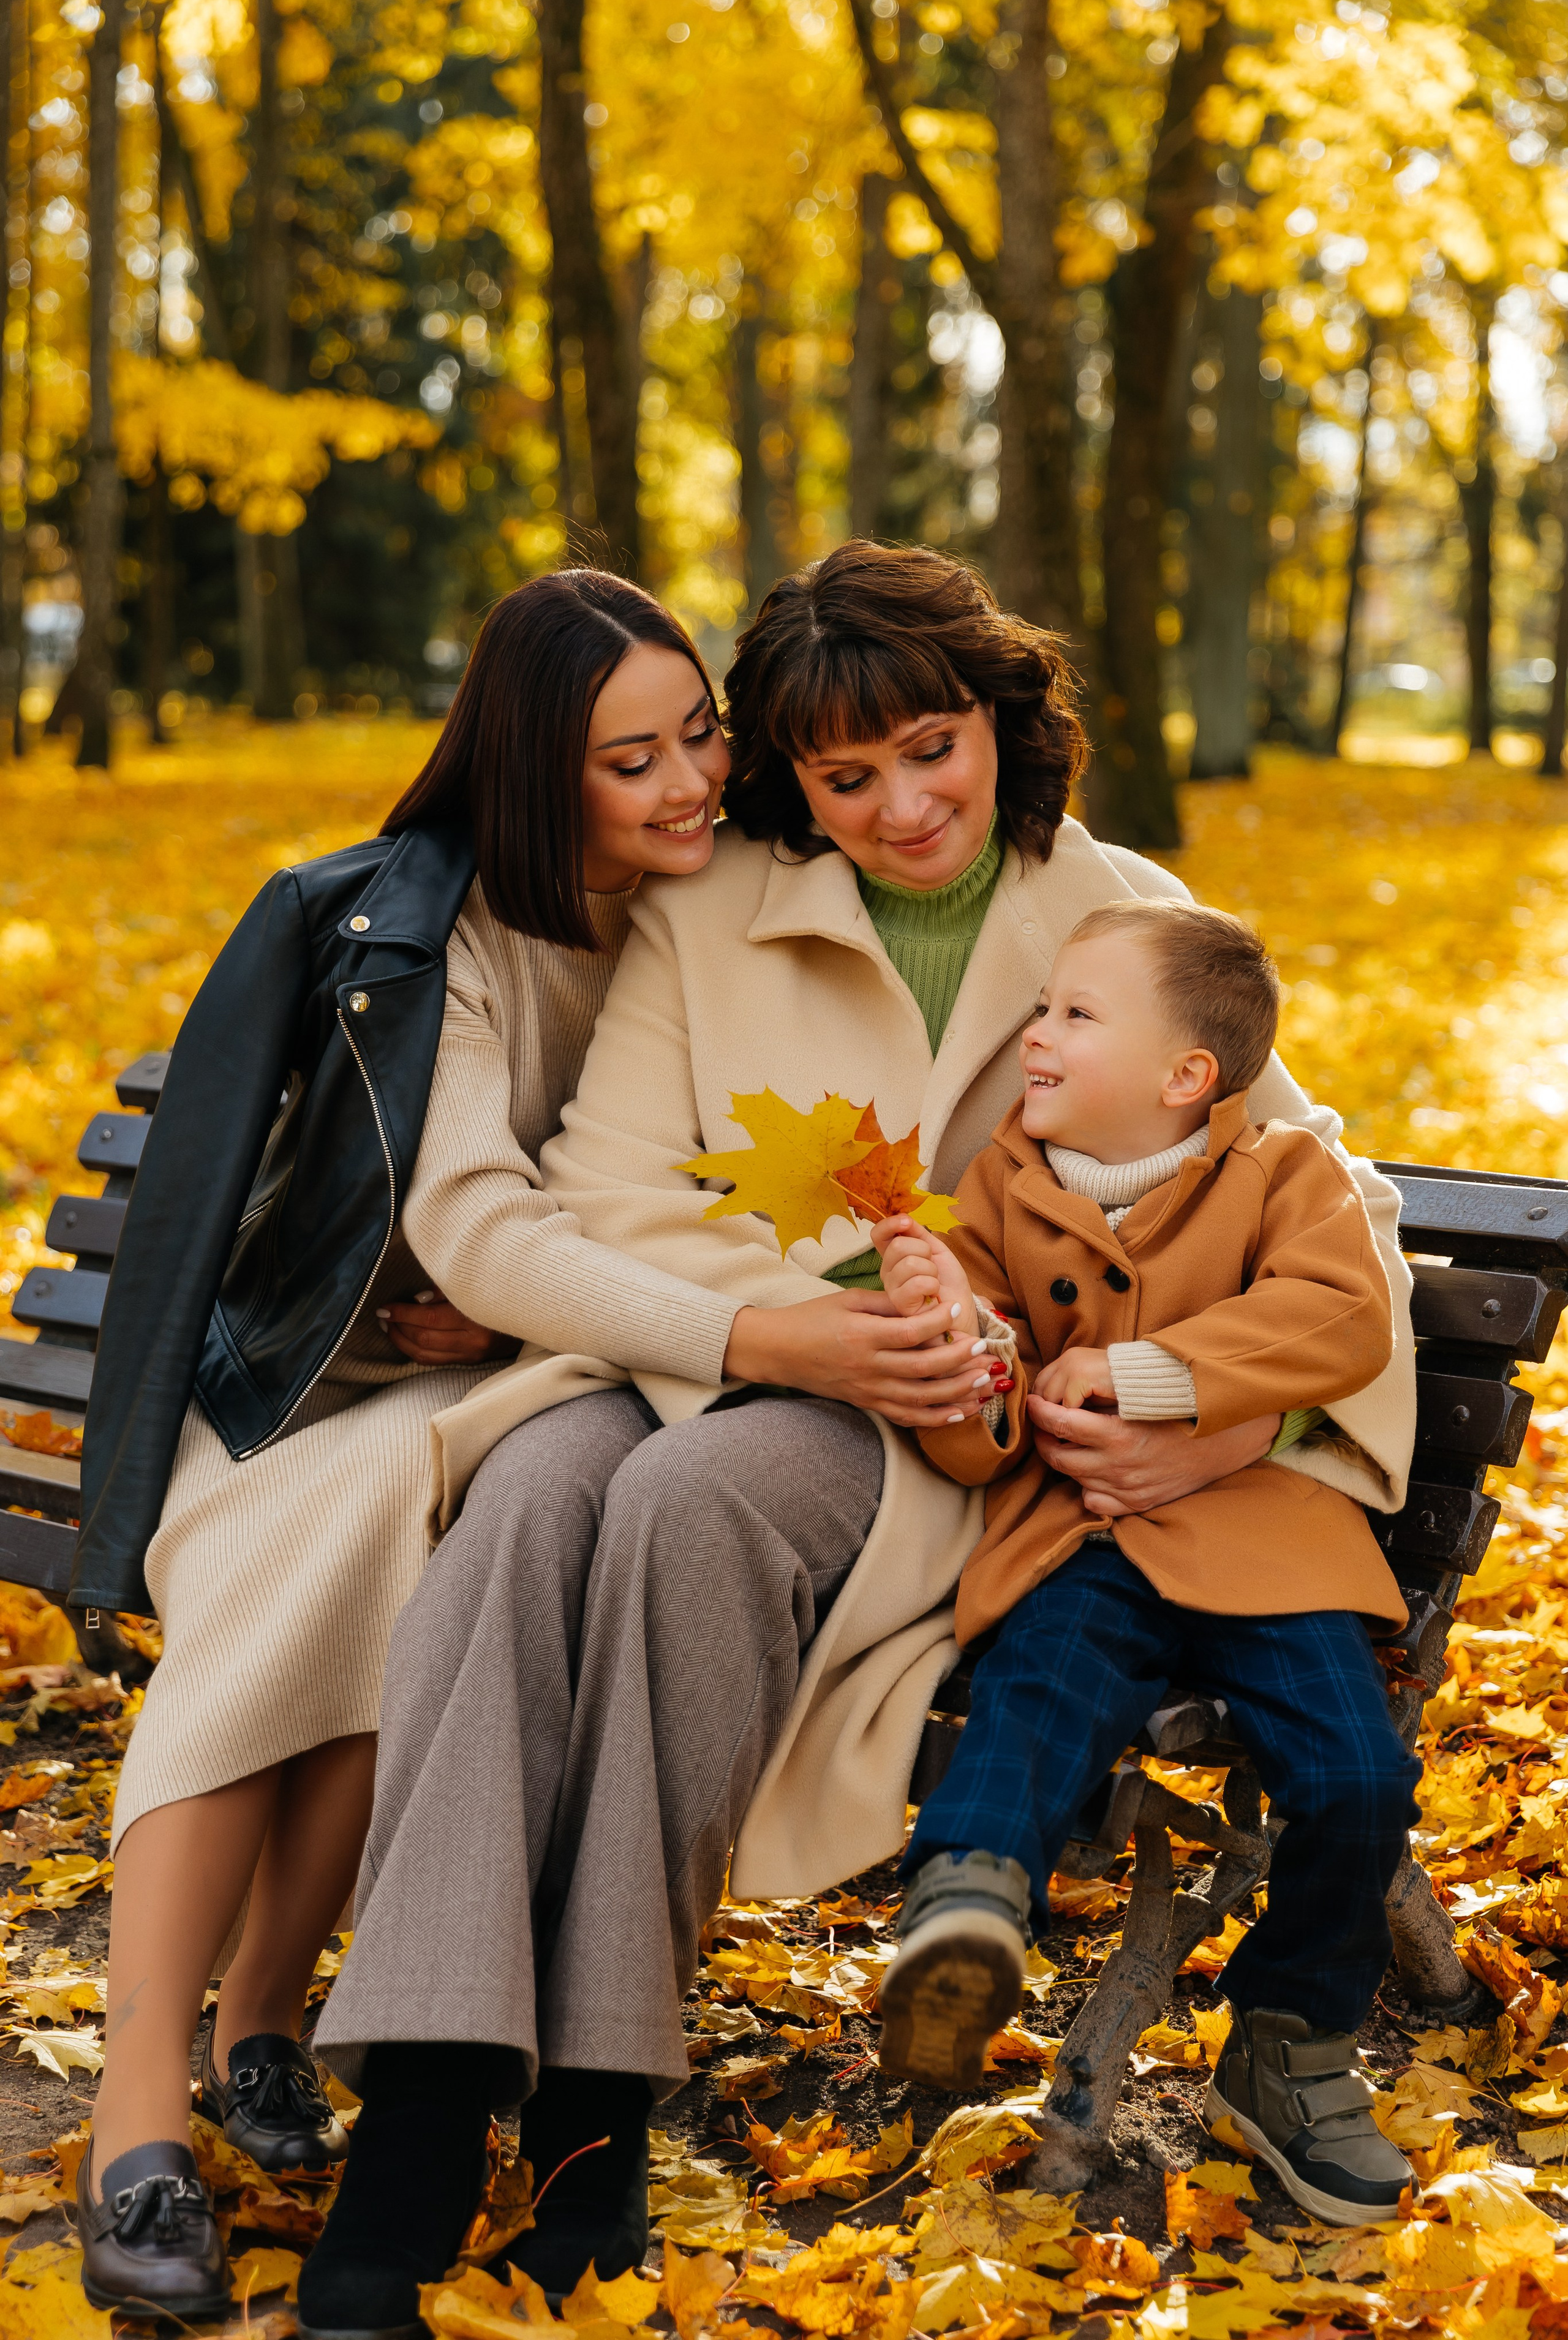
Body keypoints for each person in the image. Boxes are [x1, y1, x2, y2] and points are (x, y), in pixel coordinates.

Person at [301, 542, 1417, 2338]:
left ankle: (595, 2115)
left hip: (957, 1444)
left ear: (999, 721)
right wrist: (796, 1323)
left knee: (678, 1507)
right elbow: (593, 1199)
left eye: (935, 749)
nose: (902, 807)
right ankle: (425, 2101)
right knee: (521, 1497)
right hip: (720, 1362)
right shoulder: (711, 907)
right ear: (789, 778)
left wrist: (1236, 1416)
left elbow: (1319, 1201)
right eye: (846, 776)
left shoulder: (1114, 908)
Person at [70, 569, 780, 2321]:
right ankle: (138, 2104)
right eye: (634, 761)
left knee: (440, 1518)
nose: (690, 782)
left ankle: (261, 2025)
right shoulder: (434, 931)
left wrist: (533, 1314)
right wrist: (482, 1301)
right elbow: (452, 1219)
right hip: (309, 1394)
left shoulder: (737, 913)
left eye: (700, 733)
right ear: (541, 776)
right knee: (347, 1528)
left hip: (507, 1391)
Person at [867, 894, 1420, 2224]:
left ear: (1185, 1075)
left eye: (1071, 1012)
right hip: (1086, 1533)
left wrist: (1147, 1373)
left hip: (1263, 1543)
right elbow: (976, 1441)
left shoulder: (1285, 1174)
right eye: (1040, 1005)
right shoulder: (999, 1190)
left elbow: (1336, 1316)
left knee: (1356, 1773)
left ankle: (1288, 2039)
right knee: (1039, 1688)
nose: (1035, 1032)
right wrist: (963, 1357)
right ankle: (964, 1913)